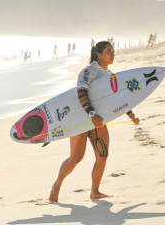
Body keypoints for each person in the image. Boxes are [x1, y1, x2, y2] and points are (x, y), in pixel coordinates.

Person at [49, 41, 140, 203]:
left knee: (102, 156)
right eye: (108, 51)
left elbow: (118, 98)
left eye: (113, 52)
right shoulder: (87, 71)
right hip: (81, 119)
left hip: (99, 120)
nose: (112, 54)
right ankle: (56, 185)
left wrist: (131, 114)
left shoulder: (109, 74)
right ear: (98, 54)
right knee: (76, 158)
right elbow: (81, 93)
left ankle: (95, 191)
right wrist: (91, 113)